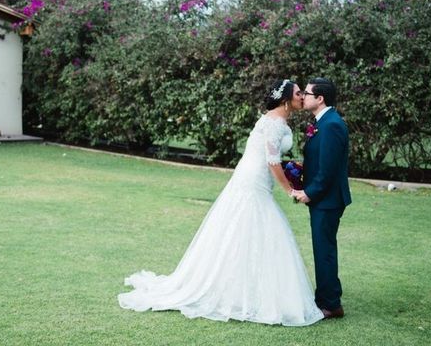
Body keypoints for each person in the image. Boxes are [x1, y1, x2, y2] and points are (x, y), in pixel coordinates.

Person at [118, 79, 324, 326]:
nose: (302, 96)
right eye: (298, 92)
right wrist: (290, 188)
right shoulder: (275, 123)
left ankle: (244, 286)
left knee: (247, 229)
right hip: (253, 180)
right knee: (256, 226)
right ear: (285, 100)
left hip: (253, 177)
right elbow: (272, 161)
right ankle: (238, 291)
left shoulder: (275, 119)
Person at [293, 78, 352, 320]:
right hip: (323, 198)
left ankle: (331, 304)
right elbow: (319, 160)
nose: (302, 97)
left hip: (327, 200)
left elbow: (328, 169)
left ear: (320, 99)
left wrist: (309, 192)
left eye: (306, 93)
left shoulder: (331, 125)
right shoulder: (323, 122)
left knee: (324, 250)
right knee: (323, 248)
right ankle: (326, 297)